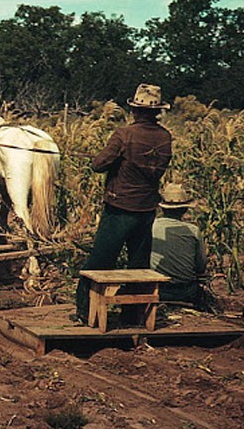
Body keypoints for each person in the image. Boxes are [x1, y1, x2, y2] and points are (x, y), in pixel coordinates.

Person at [74, 83, 173, 324]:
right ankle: (133, 316)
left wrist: (107, 157)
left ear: (135, 110)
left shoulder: (124, 135)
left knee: (100, 261)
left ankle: (86, 312)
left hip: (119, 209)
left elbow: (98, 165)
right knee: (138, 265)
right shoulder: (165, 137)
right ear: (156, 111)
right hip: (147, 209)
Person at [150, 183, 208, 308]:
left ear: (162, 208)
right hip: (186, 292)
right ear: (185, 209)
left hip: (157, 290)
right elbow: (201, 265)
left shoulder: (151, 227)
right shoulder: (193, 230)